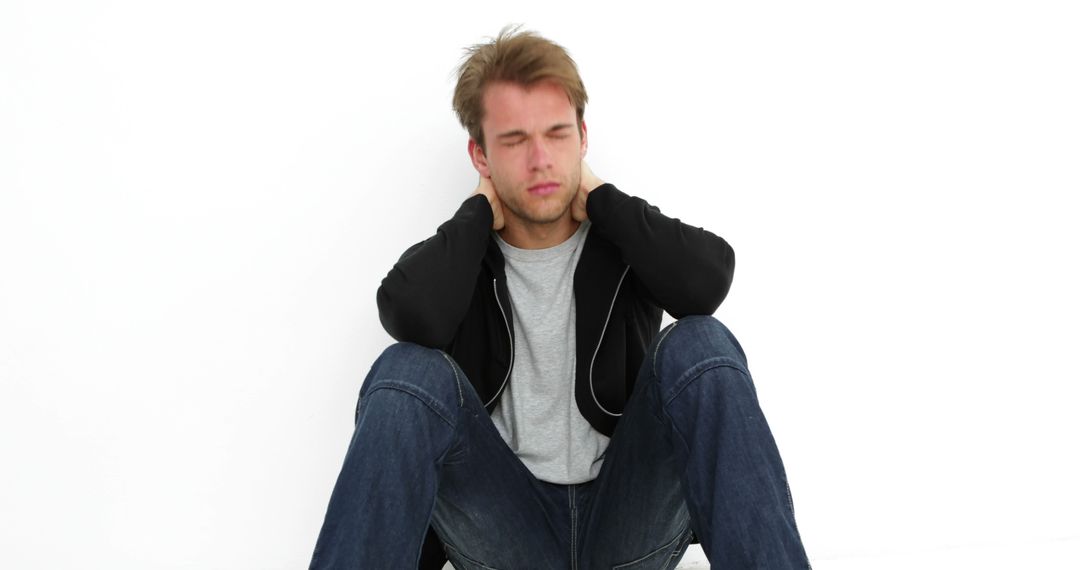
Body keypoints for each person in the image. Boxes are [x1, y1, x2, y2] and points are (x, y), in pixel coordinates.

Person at [310, 27, 810, 569]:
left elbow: (706, 282)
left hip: (625, 522)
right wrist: (476, 217)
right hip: (506, 531)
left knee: (702, 344)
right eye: (515, 140)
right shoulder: (463, 258)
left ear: (583, 136)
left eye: (557, 134)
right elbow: (410, 314)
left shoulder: (625, 239)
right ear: (479, 154)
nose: (541, 158)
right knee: (406, 369)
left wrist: (605, 202)